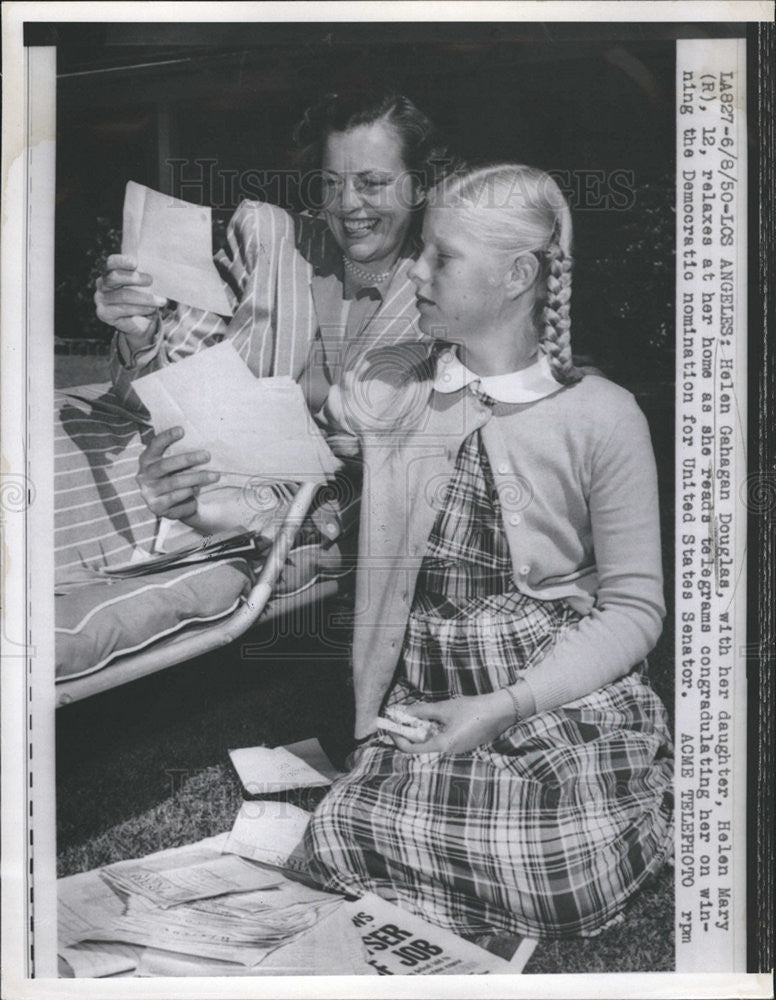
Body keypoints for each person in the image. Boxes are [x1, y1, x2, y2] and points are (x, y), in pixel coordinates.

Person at [298, 163, 674, 940]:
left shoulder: (602, 416)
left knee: (569, 867)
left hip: (552, 691)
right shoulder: (393, 385)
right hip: (426, 700)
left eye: (440, 256)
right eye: (421, 253)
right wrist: (151, 344)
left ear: (517, 276)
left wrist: (503, 707)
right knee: (339, 834)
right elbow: (285, 450)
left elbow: (635, 612)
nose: (414, 270)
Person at [55, 90, 442, 581]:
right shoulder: (268, 237)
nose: (347, 205)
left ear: (419, 186)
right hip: (168, 469)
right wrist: (140, 335)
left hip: (276, 522)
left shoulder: (441, 294)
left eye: (372, 183)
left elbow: (404, 482)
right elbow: (157, 393)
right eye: (330, 183)